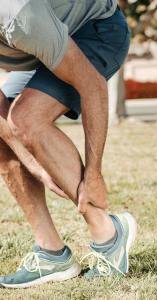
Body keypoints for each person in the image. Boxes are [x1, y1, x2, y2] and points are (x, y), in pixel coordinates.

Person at [0, 0, 136, 288]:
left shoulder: (19, 14)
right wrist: (33, 165)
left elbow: (93, 85)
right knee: (7, 131)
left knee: (27, 120)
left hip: (97, 29)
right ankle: (51, 252)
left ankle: (109, 234)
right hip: (41, 44)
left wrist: (94, 174)